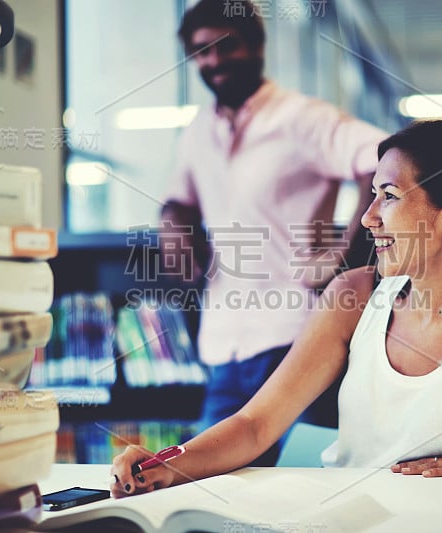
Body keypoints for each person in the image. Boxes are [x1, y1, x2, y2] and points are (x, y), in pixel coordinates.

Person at [111, 118, 442, 495]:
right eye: (374, 194)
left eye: (390, 195)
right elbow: (255, 424)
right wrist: (169, 463)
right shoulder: (356, 297)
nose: (368, 216)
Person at [158, 0, 387, 465]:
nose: (214, 61)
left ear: (257, 46)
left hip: (293, 335)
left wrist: (346, 252)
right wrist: (171, 224)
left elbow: (384, 155)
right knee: (206, 484)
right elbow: (178, 198)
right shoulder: (197, 131)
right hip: (221, 342)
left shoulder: (303, 118)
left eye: (227, 46)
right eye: (201, 52)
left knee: (292, 495)